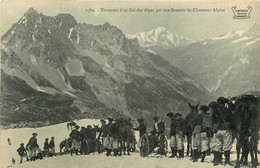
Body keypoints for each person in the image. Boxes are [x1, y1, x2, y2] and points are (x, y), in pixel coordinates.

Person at [212, 97, 233, 166]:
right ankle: (227, 161)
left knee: (217, 145)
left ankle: (216, 160)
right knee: (227, 146)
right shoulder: (228, 110)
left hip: (217, 129)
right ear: (225, 103)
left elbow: (213, 120)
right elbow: (232, 119)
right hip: (226, 129)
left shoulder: (215, 111)